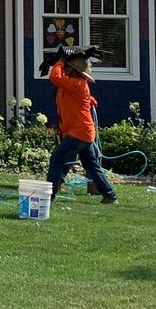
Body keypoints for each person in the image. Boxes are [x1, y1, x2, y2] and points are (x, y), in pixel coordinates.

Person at [43, 45, 118, 205]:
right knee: (91, 165)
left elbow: (54, 77)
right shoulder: (72, 86)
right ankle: (109, 196)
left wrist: (61, 60)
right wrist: (89, 100)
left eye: (67, 68)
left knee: (57, 159)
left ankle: (49, 195)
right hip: (83, 133)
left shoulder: (77, 84)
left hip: (79, 133)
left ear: (72, 70)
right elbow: (67, 93)